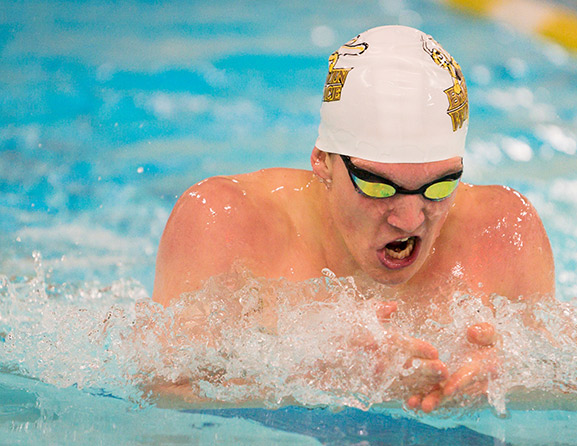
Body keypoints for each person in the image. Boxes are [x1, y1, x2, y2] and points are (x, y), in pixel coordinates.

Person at [152, 25, 555, 412]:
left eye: (439, 185)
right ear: (323, 161)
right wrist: (308, 378)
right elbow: (160, 392)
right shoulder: (225, 222)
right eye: (380, 186)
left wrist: (516, 383)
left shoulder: (504, 231)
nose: (410, 219)